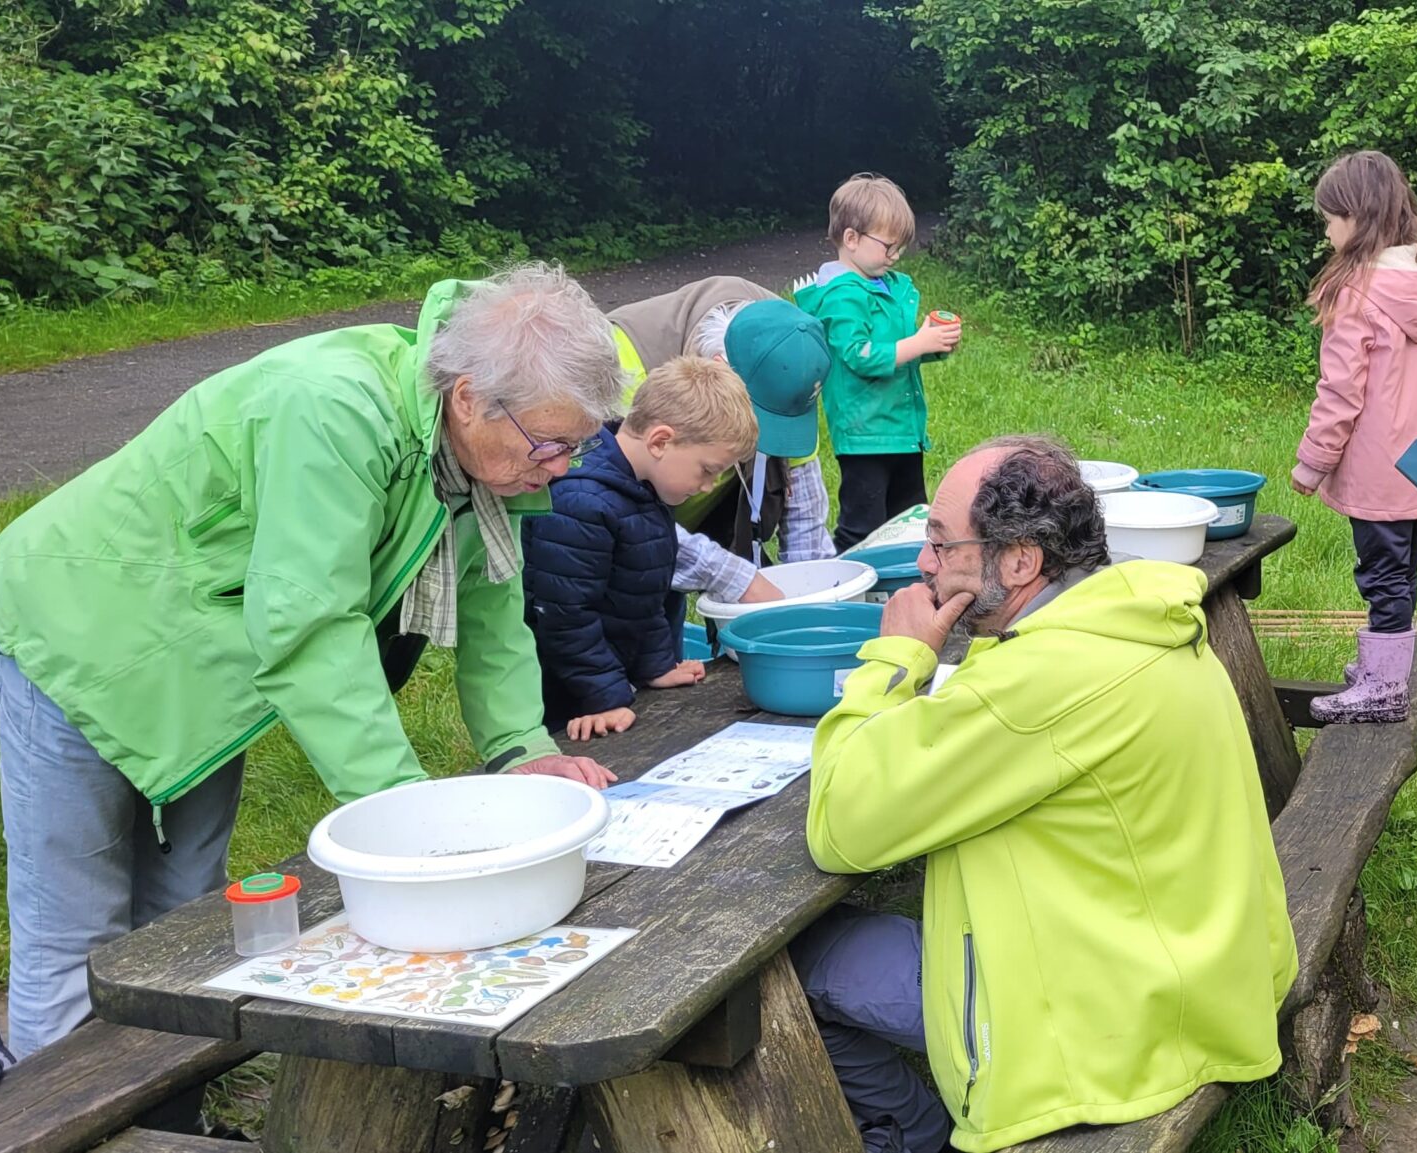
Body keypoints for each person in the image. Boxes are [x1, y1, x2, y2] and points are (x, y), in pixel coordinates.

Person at [0, 264, 624, 1054]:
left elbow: (495, 598)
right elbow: (313, 629)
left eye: (578, 445)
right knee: (77, 935)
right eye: (551, 443)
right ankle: (56, 1125)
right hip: (76, 628)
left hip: (206, 662)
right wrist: (402, 814)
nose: (561, 465)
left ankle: (165, 1121)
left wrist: (521, 744)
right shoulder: (332, 408)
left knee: (183, 917)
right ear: (467, 397)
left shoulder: (487, 453)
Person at [791, 437, 1294, 1153]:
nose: (924, 564)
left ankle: (908, 1134)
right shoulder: (1143, 618)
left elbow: (840, 825)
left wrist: (895, 659)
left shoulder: (1038, 685)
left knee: (803, 964)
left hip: (1104, 1040)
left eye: (940, 541)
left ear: (1020, 559)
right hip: (1204, 980)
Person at [1287, 150, 1417, 723]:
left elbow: (1340, 393)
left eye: (1330, 219)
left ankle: (1384, 691)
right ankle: (1386, 667)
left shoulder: (1355, 293)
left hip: (1375, 465)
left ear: (1357, 218)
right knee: (1401, 569)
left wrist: (1312, 463)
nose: (1327, 231)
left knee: (1381, 575)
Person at [524, 357, 760, 740]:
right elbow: (565, 617)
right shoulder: (581, 502)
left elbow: (645, 589)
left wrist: (656, 665)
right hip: (567, 700)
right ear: (660, 441)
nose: (708, 486)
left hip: (612, 679)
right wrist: (602, 697)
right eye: (707, 470)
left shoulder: (641, 488)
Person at [605, 277, 835, 603]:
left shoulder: (791, 353)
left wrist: (816, 599)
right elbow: (610, 517)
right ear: (720, 372)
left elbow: (805, 528)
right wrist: (732, 577)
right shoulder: (619, 371)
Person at [793, 173, 962, 552]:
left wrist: (933, 343)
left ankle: (906, 587)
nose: (896, 255)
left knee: (912, 521)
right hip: (865, 435)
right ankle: (851, 588)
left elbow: (899, 344)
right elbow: (858, 355)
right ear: (851, 239)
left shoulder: (885, 284)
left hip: (903, 429)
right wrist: (918, 343)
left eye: (900, 246)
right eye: (888, 245)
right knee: (863, 528)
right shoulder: (841, 295)